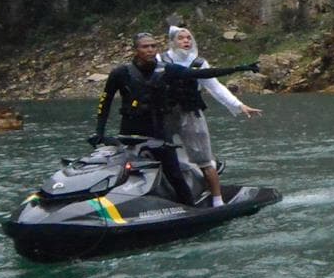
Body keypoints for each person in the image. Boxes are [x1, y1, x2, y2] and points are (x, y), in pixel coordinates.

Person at [93, 32, 259, 206]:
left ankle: (190, 207)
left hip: (158, 130)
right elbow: (105, 103)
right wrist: (99, 131)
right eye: (145, 47)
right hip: (129, 129)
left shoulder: (167, 69)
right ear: (136, 50)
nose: (150, 50)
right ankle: (116, 205)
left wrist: (239, 68)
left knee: (174, 173)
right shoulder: (120, 73)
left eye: (153, 46)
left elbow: (203, 74)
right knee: (125, 170)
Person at [160, 24, 261, 208]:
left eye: (188, 38)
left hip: (190, 113)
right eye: (181, 38)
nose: (186, 41)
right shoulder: (161, 60)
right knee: (162, 153)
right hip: (165, 113)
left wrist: (239, 105)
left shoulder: (199, 63)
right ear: (172, 41)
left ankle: (217, 199)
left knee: (205, 159)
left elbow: (215, 87)